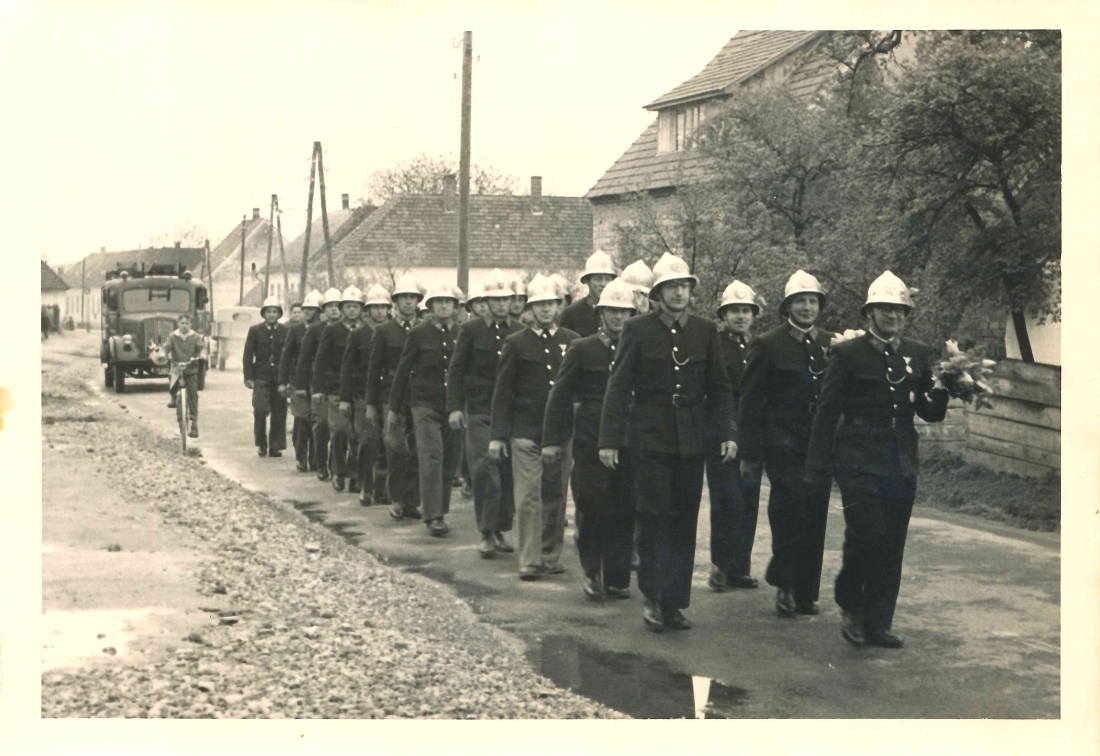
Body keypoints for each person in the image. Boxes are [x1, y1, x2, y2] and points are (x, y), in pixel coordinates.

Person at [806, 271, 949, 649]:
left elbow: (930, 412)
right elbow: (826, 412)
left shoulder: (917, 352)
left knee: (891, 543)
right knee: (865, 537)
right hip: (857, 459)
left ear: (907, 314)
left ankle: (879, 623)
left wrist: (945, 388)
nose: (892, 315)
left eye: (899, 309)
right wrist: (817, 466)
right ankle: (852, 607)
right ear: (870, 312)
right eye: (884, 308)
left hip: (900, 461)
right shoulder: (847, 353)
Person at [598, 253, 735, 631]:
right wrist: (609, 440)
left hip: (691, 437)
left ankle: (675, 602)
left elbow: (720, 388)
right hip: (649, 436)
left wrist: (727, 432)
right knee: (654, 516)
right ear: (657, 293)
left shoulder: (706, 331)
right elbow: (618, 387)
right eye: (670, 287)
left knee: (683, 521)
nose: (678, 292)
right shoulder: (637, 329)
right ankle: (654, 597)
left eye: (683, 286)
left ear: (691, 290)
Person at [739, 270, 836, 618]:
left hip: (818, 441)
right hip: (781, 440)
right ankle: (786, 584)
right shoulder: (768, 344)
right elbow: (750, 401)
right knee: (790, 507)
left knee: (816, 511)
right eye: (800, 301)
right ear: (787, 307)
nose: (807, 307)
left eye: (812, 301)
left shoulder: (832, 343)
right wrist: (750, 452)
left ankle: (806, 592)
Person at [543, 278, 637, 600]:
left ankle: (618, 576)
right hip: (590, 441)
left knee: (625, 508)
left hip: (629, 439)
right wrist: (551, 440)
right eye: (612, 310)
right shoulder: (582, 349)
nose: (619, 317)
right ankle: (592, 571)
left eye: (625, 311)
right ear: (600, 313)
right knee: (593, 505)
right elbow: (559, 396)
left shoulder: (637, 348)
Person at [490, 274, 579, 580]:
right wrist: (497, 435)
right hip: (525, 432)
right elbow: (503, 392)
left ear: (559, 305)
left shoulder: (572, 340)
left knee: (555, 495)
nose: (545, 309)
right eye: (539, 304)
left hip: (561, 432)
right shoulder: (515, 343)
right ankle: (529, 559)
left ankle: (550, 554)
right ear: (529, 308)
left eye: (550, 303)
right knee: (529, 497)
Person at [448, 270, 522, 559]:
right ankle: (486, 531)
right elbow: (456, 370)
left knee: (506, 471)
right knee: (485, 469)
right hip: (479, 409)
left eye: (506, 299)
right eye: (496, 299)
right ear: (486, 301)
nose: (501, 304)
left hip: (512, 411)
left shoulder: (519, 330)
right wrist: (455, 407)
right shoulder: (471, 330)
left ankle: (501, 528)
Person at [389, 284, 463, 537]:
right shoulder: (419, 334)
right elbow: (402, 371)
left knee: (449, 460)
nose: (443, 306)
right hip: (424, 404)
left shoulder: (462, 334)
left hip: (453, 406)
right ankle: (433, 516)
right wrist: (394, 408)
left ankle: (440, 509)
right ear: (429, 306)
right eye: (438, 301)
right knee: (432, 456)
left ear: (455, 306)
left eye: (448, 301)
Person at [707, 280, 766, 592]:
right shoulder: (715, 344)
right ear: (723, 315)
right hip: (721, 433)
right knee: (727, 500)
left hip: (752, 433)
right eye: (734, 310)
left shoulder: (758, 345)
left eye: (746, 310)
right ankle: (720, 565)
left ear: (754, 315)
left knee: (749, 499)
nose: (741, 316)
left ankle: (739, 567)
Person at [367, 276, 423, 521]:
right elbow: (373, 369)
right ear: (396, 302)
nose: (408, 302)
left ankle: (412, 501)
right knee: (396, 447)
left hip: (419, 395)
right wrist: (371, 403)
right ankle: (397, 498)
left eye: (412, 298)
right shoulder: (384, 331)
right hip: (391, 395)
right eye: (404, 298)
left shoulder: (424, 329)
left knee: (417, 449)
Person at [313, 286, 363, 492]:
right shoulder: (332, 330)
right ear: (342, 308)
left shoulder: (367, 331)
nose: (351, 310)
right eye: (348, 306)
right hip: (335, 389)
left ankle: (355, 474)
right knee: (339, 431)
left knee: (358, 434)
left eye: (355, 306)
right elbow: (320, 361)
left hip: (359, 390)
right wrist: (318, 388)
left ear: (361, 309)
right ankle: (338, 471)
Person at [341, 286, 384, 505]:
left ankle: (382, 488)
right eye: (375, 307)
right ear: (368, 311)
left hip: (388, 395)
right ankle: (366, 486)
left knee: (387, 444)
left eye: (383, 307)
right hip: (362, 396)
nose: (379, 311)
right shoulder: (358, 335)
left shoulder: (395, 332)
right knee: (367, 442)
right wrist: (345, 398)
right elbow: (347, 368)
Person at [297, 288, 342, 479]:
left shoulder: (349, 330)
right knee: (321, 424)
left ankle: (335, 465)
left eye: (337, 306)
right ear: (323, 310)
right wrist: (302, 386)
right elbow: (304, 360)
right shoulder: (315, 330)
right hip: (320, 385)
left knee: (339, 429)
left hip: (342, 386)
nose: (334, 309)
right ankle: (320, 462)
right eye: (330, 306)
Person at [280, 291, 323, 472]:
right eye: (305, 309)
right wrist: (282, 381)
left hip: (318, 381)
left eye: (311, 309)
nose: (306, 312)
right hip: (298, 381)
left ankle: (315, 459)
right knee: (301, 420)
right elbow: (286, 356)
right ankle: (301, 458)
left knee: (317, 421)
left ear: (319, 311)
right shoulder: (295, 330)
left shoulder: (324, 330)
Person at [243, 296, 289, 457]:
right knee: (260, 410)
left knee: (279, 412)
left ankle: (275, 446)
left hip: (279, 378)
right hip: (260, 377)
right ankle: (261, 443)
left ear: (279, 314)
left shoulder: (285, 331)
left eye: (275, 312)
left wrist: (288, 378)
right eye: (268, 311)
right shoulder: (255, 330)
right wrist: (248, 377)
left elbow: (289, 356)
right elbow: (248, 355)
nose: (271, 315)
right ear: (263, 314)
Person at [161, 313, 206, 437]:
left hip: (191, 368)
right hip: (176, 366)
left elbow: (201, 347)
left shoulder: (195, 337)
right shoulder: (173, 336)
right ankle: (173, 397)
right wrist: (163, 353)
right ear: (178, 324)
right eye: (182, 323)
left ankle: (194, 423)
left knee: (193, 394)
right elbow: (166, 347)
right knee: (172, 382)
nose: (184, 325)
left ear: (190, 324)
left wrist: (202, 354)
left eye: (187, 323)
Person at [559, 251, 617, 337]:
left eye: (607, 279)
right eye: (598, 279)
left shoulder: (620, 312)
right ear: (587, 281)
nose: (603, 284)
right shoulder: (571, 314)